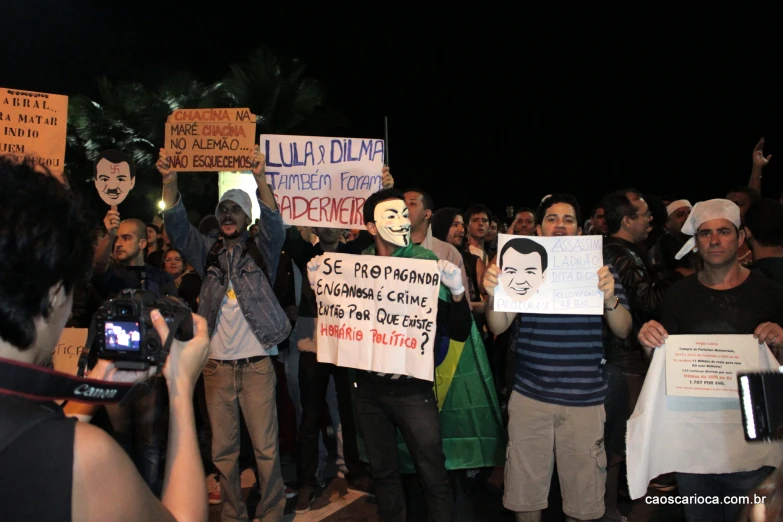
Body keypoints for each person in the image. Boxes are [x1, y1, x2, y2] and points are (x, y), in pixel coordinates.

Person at [0, 157, 210, 522]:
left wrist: (93, 385)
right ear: (54, 295)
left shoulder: (159, 276)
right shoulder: (86, 457)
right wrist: (180, 387)